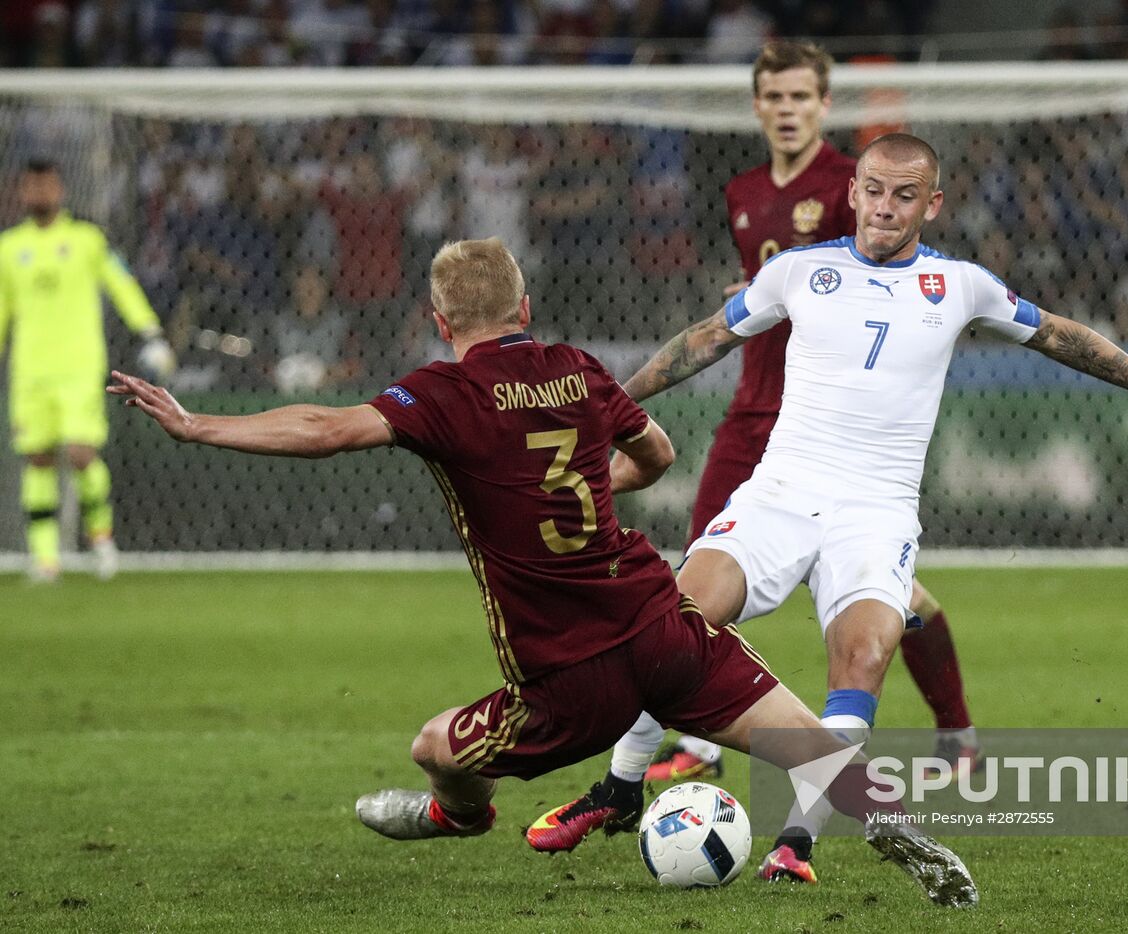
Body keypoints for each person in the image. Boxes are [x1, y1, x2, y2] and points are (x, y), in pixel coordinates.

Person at [107, 237, 980, 907]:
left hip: (565, 680)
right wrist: (591, 488)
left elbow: (322, 428)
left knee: (434, 749)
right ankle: (896, 827)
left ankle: (460, 813)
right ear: (525, 304)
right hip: (662, 626)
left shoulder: (442, 394)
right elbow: (660, 452)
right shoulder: (576, 368)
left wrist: (198, 426)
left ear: (442, 323)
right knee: (813, 748)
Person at [529, 133, 1128, 883]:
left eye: (905, 194)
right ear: (853, 192)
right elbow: (705, 339)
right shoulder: (799, 272)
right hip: (780, 493)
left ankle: (796, 844)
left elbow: (1060, 335)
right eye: (873, 189)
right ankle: (616, 789)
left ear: (931, 203)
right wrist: (607, 405)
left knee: (866, 654)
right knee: (673, 624)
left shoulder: (961, 285)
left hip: (876, 513)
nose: (885, 205)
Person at [643, 40, 985, 788]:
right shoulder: (740, 191)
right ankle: (700, 743)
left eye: (803, 98)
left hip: (833, 430)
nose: (789, 111)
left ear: (825, 105)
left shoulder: (850, 186)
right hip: (751, 417)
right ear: (758, 105)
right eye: (776, 97)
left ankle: (956, 730)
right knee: (699, 584)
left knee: (900, 602)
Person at [0, 158, 176, 582]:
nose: (40, 193)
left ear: (60, 190)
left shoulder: (87, 240)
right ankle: (45, 560)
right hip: (30, 372)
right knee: (37, 458)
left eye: (47, 185)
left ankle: (101, 540)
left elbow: (121, 284)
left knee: (81, 454)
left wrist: (149, 330)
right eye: (32, 185)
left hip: (78, 367)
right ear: (22, 192)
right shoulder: (8, 247)